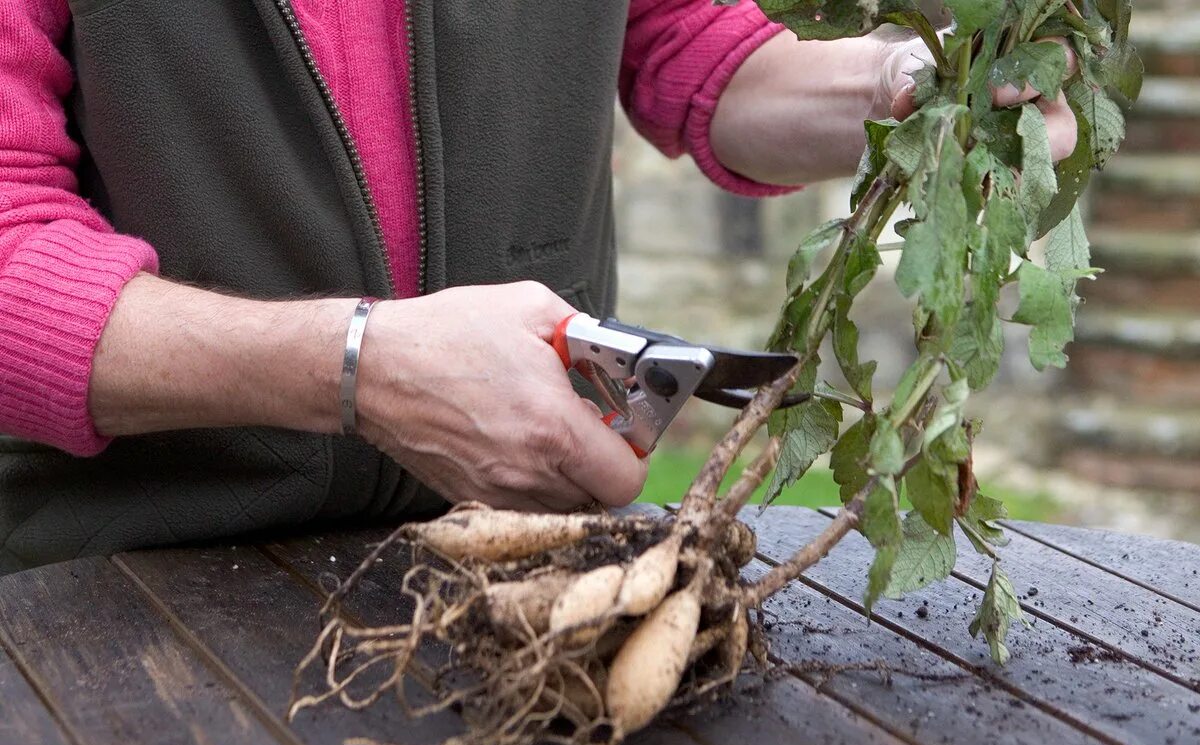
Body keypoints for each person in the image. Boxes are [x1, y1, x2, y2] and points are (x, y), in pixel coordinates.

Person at [0, 1, 1076, 572]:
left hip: (516, 563)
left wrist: (904, 91)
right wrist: (357, 366)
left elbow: (696, 51)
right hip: (124, 581)